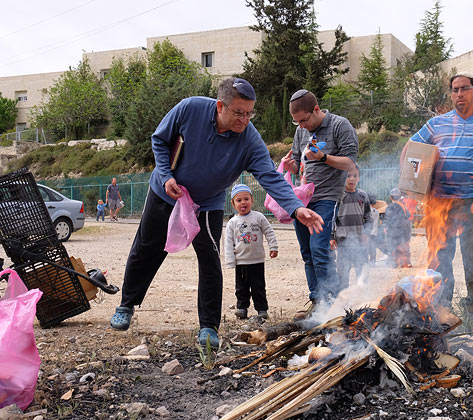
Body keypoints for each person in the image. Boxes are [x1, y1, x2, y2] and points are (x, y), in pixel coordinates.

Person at [109, 78, 323, 348]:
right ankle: (127, 305)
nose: (244, 120)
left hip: (207, 203)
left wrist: (296, 207)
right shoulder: (190, 109)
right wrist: (165, 176)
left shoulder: (249, 140)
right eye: (238, 112)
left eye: (249, 113)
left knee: (210, 258)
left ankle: (208, 326)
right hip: (166, 191)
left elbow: (270, 176)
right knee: (147, 248)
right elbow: (160, 140)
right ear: (220, 106)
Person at [403, 72, 473, 312]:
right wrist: (412, 184)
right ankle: (442, 307)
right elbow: (411, 150)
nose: (459, 94)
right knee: (439, 256)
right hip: (440, 202)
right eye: (455, 90)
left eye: (464, 88)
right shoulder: (436, 123)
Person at [281, 89, 358, 308]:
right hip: (302, 201)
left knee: (319, 250)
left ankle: (332, 301)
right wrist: (290, 165)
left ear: (316, 110)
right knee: (307, 252)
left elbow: (351, 163)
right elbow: (297, 165)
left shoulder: (340, 125)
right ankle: (317, 300)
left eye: (304, 120)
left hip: (327, 197)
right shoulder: (301, 131)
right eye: (297, 123)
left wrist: (323, 157)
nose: (301, 126)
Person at [224, 184, 278, 321]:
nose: (243, 202)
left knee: (258, 287)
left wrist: (273, 247)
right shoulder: (232, 222)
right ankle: (242, 308)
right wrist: (230, 260)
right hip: (241, 262)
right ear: (233, 203)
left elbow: (269, 232)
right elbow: (228, 242)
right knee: (241, 288)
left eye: (246, 199)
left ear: (252, 200)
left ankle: (262, 310)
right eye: (239, 200)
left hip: (257, 261)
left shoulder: (259, 217)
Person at [330, 165, 371, 292]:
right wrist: (331, 237)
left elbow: (368, 217)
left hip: (360, 241)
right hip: (343, 242)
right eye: (348, 176)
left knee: (362, 270)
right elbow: (331, 219)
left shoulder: (363, 196)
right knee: (343, 272)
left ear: (359, 178)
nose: (351, 179)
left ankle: (362, 298)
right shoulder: (338, 197)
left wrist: (366, 233)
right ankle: (343, 300)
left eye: (355, 176)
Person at [384, 188, 412, 268]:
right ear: (400, 197)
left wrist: (385, 228)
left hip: (392, 231)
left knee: (392, 246)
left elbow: (387, 219)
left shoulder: (389, 207)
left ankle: (392, 263)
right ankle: (404, 262)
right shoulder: (403, 207)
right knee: (402, 246)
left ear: (390, 197)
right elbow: (408, 216)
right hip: (402, 230)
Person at [367, 192, 381, 265]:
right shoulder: (376, 211)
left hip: (367, 231)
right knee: (372, 247)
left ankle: (365, 262)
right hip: (374, 232)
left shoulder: (365, 210)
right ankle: (372, 261)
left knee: (365, 247)